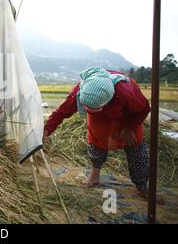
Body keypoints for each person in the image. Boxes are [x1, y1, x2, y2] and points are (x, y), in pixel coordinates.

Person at [43, 67, 152, 199]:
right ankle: (95, 176)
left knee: (136, 148)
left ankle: (142, 187)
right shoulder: (81, 90)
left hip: (127, 117)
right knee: (96, 142)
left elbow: (144, 108)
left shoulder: (126, 92)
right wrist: (46, 130)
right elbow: (61, 112)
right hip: (99, 120)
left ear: (107, 99)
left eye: (95, 108)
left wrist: (129, 128)